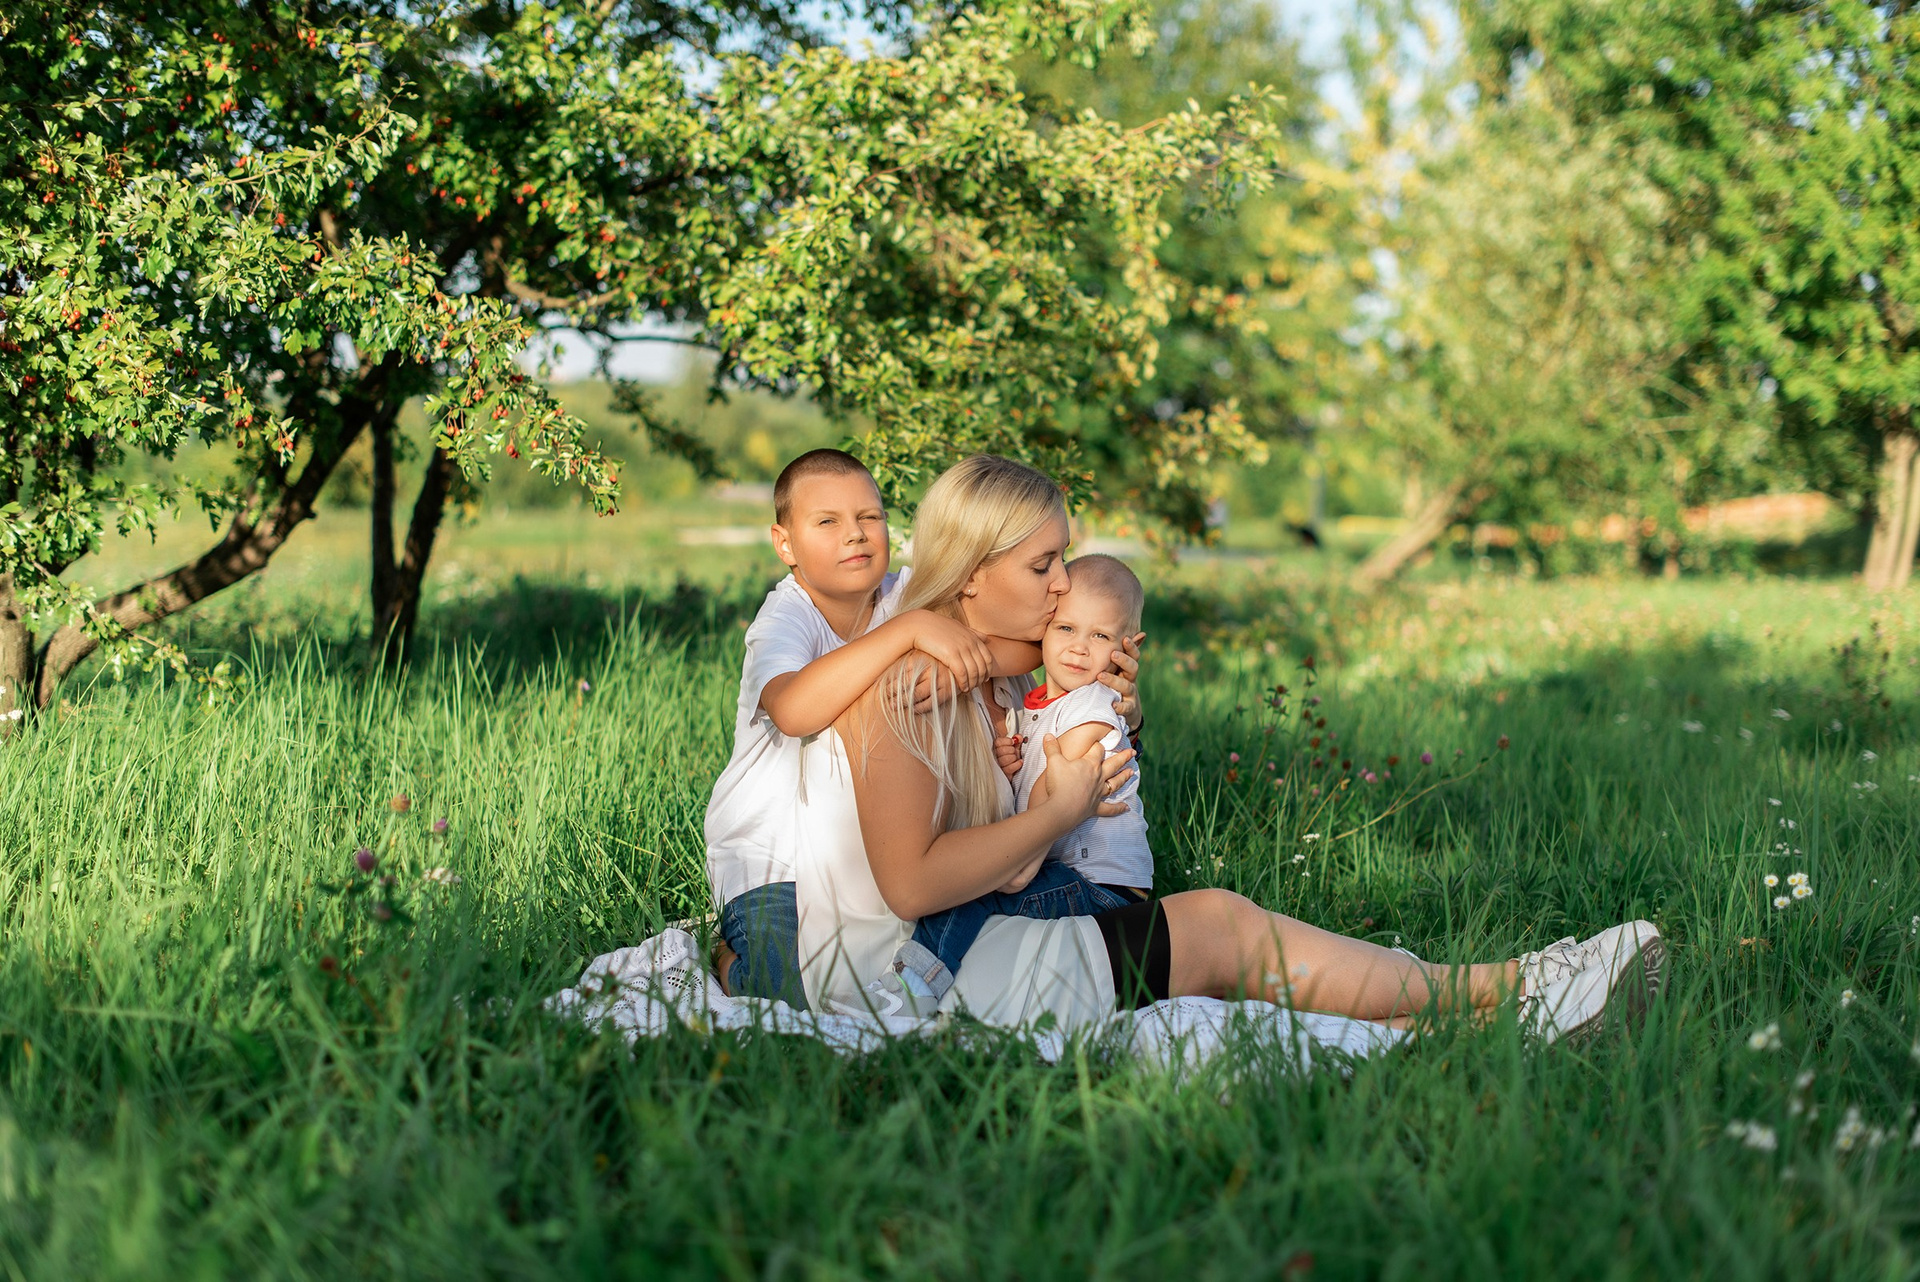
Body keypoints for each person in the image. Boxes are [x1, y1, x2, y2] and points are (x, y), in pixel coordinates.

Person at [742, 454, 1666, 1042]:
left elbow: (1049, 678)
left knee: (1220, 942)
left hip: (965, 943)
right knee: (1217, 926)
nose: (1064, 586)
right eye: (1043, 565)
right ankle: (1513, 991)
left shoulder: (991, 660)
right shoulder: (910, 684)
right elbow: (910, 884)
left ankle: (1487, 1000)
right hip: (904, 978)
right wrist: (1061, 811)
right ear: (974, 574)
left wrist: (1114, 699)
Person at [704, 448, 1141, 1006]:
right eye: (828, 521)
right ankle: (728, 962)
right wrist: (908, 631)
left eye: (870, 517)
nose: (855, 534)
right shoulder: (791, 618)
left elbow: (1020, 643)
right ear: (784, 544)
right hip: (769, 853)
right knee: (781, 997)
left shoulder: (901, 592)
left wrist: (967, 664)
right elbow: (793, 711)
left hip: (847, 848)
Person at [875, 553, 1152, 1011]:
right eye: (1066, 628)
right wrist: (1014, 765)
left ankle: (910, 990)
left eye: (1100, 636)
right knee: (976, 886)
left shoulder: (1092, 710)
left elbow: (1049, 810)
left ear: (1128, 646)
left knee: (968, 893)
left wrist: (1007, 867)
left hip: (1104, 889)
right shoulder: (1038, 702)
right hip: (1076, 876)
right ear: (1045, 628)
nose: (1079, 648)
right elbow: (1039, 784)